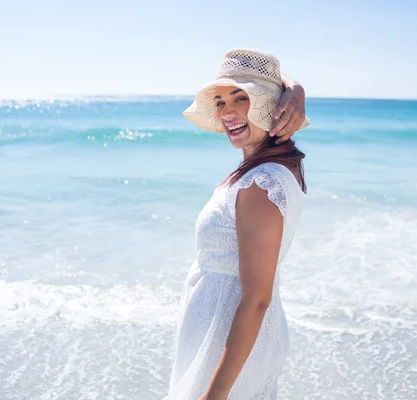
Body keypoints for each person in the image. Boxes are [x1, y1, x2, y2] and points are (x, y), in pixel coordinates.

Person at [165, 48, 309, 400]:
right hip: (226, 336)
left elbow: (256, 299)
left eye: (241, 98)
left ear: (271, 105)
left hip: (226, 345)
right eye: (221, 101)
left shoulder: (261, 183)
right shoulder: (277, 164)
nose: (227, 112)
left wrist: (214, 395)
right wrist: (296, 87)